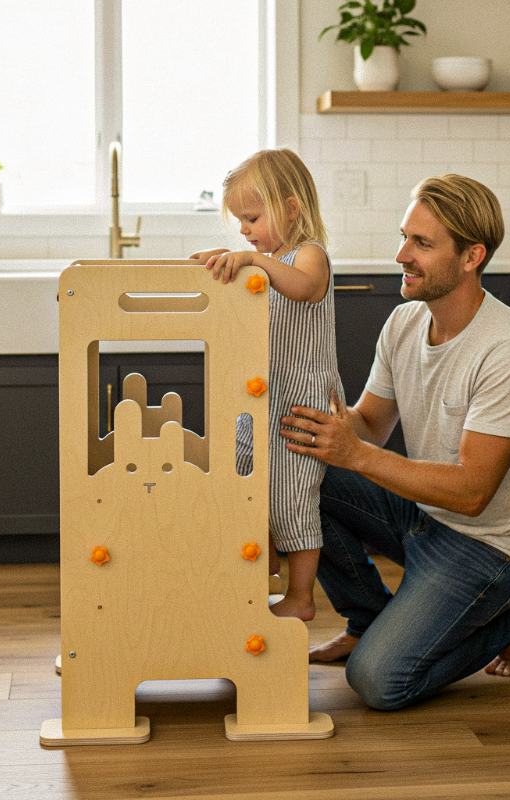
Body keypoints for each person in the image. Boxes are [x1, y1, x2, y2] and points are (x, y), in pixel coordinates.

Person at [279, 174, 510, 710]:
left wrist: (355, 453)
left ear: (472, 256)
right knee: (298, 470)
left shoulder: (509, 351)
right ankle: (367, 620)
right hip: (422, 512)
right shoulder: (405, 322)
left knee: (379, 683)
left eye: (422, 244)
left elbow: (473, 492)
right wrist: (315, 421)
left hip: (491, 544)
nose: (401, 254)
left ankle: (502, 621)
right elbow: (370, 425)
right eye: (404, 236)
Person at [190, 148, 345, 621]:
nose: (244, 230)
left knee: (291, 501)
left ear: (292, 208)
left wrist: (252, 262)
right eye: (240, 221)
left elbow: (303, 287)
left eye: (252, 218)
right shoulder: (267, 263)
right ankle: (257, 579)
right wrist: (228, 266)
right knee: (244, 492)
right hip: (259, 403)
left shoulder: (307, 255)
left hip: (301, 408)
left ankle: (301, 597)